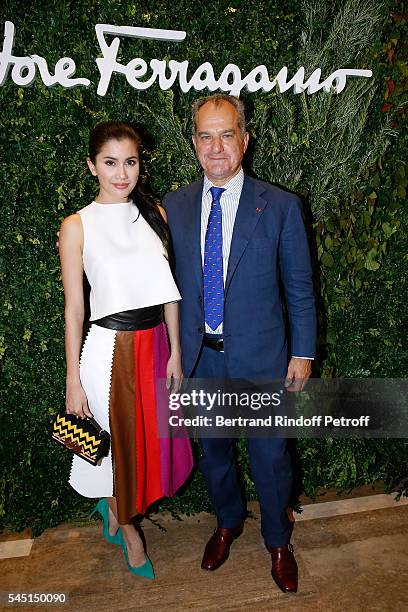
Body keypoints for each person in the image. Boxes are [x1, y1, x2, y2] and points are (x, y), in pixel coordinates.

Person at [163, 94, 316, 593]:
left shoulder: (281, 206)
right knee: (216, 454)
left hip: (264, 360)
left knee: (271, 460)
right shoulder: (176, 206)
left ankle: (278, 539)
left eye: (226, 134)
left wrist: (304, 352)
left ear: (244, 140)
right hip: (202, 361)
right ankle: (227, 522)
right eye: (205, 136)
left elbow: (300, 286)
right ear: (194, 143)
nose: (216, 147)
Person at [59, 121, 193, 580]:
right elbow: (74, 310)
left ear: (140, 164)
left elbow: (168, 292)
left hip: (155, 347)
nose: (122, 174)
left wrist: (175, 351)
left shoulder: (155, 213)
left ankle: (116, 512)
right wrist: (73, 380)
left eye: (130, 162)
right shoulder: (77, 225)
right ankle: (128, 529)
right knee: (116, 452)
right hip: (106, 353)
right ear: (92, 166)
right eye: (111, 163)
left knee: (149, 448)